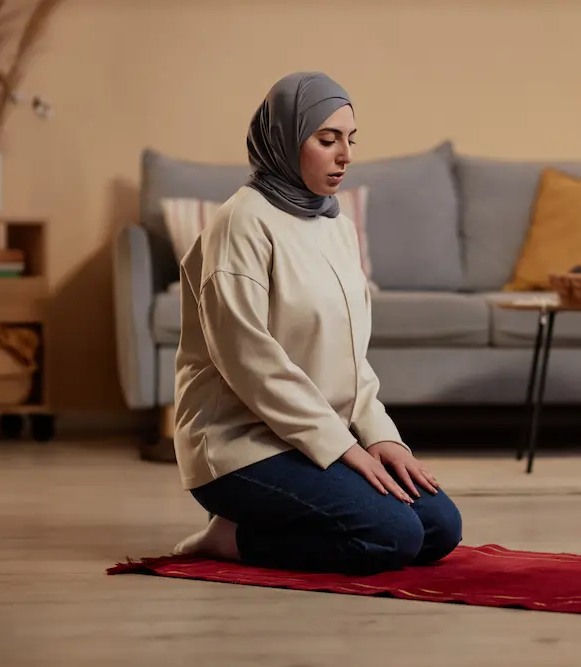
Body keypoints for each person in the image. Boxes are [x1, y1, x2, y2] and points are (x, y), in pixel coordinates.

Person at [168, 71, 463, 575]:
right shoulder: (241, 223)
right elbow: (249, 362)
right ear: (283, 139)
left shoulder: (335, 225)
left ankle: (261, 524)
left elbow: (351, 357)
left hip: (314, 436)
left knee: (439, 528)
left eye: (350, 140)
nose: (345, 155)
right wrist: (345, 449)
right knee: (392, 535)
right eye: (327, 140)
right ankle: (232, 538)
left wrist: (381, 436)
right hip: (240, 445)